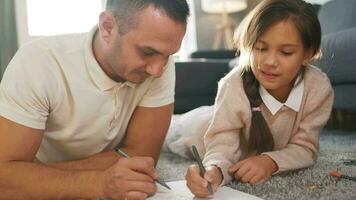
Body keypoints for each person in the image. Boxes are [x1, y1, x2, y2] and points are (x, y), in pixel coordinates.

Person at [0, 0, 189, 199]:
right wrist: (98, 183)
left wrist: (37, 174)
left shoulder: (159, 64)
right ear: (107, 27)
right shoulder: (39, 62)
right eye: (147, 52)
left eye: (169, 55)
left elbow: (143, 158)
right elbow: (5, 179)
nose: (157, 70)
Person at [184, 0, 334, 198]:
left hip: (217, 115)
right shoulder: (232, 85)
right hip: (198, 128)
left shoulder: (318, 88)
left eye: (286, 52)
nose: (269, 62)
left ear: (309, 53)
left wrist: (270, 161)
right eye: (261, 48)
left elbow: (306, 148)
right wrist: (214, 170)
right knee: (174, 129)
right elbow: (222, 146)